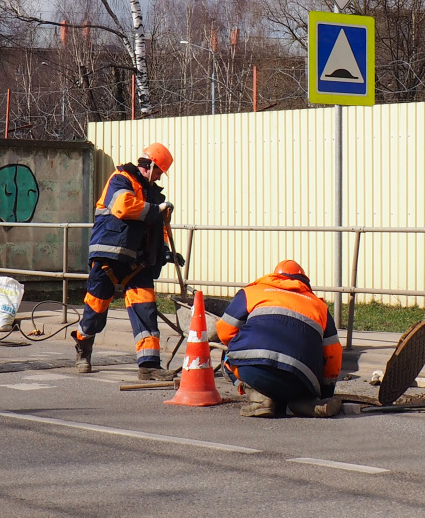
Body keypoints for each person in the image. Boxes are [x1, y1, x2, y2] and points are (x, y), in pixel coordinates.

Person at [73, 142, 184, 379]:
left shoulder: (154, 195)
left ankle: (149, 365)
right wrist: (157, 210)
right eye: (158, 171)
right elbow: (124, 207)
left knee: (145, 308)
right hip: (109, 256)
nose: (158, 176)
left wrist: (165, 251)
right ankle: (83, 345)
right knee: (95, 308)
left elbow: (159, 230)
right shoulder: (121, 179)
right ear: (150, 165)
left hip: (137, 262)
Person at [215, 260, 343, 417]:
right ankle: (304, 403)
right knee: (296, 382)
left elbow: (224, 330)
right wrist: (325, 393)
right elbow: (333, 354)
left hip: (254, 371)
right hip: (300, 380)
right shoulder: (319, 305)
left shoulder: (252, 292)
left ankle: (262, 400)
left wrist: (242, 345)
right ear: (304, 282)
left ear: (275, 276)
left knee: (228, 358)